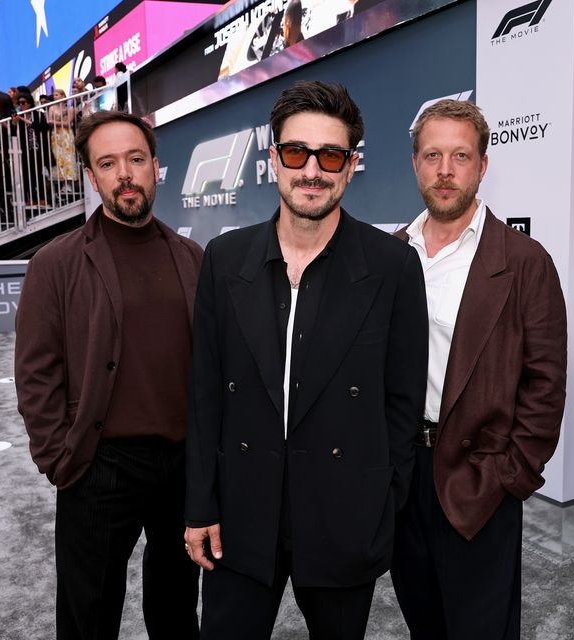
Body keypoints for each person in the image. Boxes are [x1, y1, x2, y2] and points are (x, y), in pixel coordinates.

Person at [184, 80, 428, 640]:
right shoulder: (225, 259)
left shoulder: (392, 265)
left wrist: (381, 505)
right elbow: (202, 395)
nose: (311, 170)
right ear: (273, 160)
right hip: (241, 516)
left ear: (350, 165)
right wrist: (200, 506)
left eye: (330, 155)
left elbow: (401, 401)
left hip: (344, 514)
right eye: (296, 152)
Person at [14, 110, 203, 639]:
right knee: (88, 616)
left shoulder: (192, 258)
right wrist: (59, 458)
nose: (125, 173)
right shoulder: (56, 264)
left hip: (180, 468)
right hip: (99, 467)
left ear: (156, 168)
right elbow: (35, 372)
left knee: (176, 611)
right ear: (92, 178)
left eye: (136, 159)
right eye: (108, 163)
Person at [390, 99, 567, 640]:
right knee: (424, 621)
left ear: (483, 166)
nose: (446, 170)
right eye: (433, 155)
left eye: (460, 156)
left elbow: (546, 383)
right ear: (416, 163)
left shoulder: (523, 260)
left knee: (481, 628)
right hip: (401, 477)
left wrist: (509, 475)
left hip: (478, 476)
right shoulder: (392, 253)